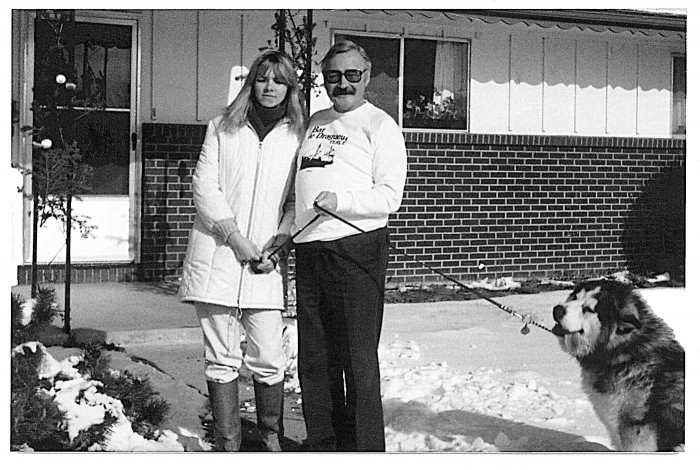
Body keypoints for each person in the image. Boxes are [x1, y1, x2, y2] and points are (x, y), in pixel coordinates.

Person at [179, 50, 307, 452]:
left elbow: (296, 201)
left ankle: (270, 438)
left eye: (279, 81)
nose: (269, 88)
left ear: (290, 89)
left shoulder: (298, 136)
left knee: (270, 357)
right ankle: (229, 445)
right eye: (262, 79)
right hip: (218, 256)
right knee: (221, 357)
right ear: (250, 82)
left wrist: (279, 242)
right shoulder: (222, 127)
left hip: (265, 263)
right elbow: (205, 187)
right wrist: (236, 239)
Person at [292, 40, 408, 451]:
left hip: (356, 250)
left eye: (352, 75)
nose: (343, 84)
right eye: (334, 76)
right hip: (309, 251)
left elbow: (390, 196)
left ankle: (362, 451)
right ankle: (323, 446)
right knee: (315, 360)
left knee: (358, 362)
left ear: (367, 74)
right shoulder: (314, 122)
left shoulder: (380, 125)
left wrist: (343, 203)